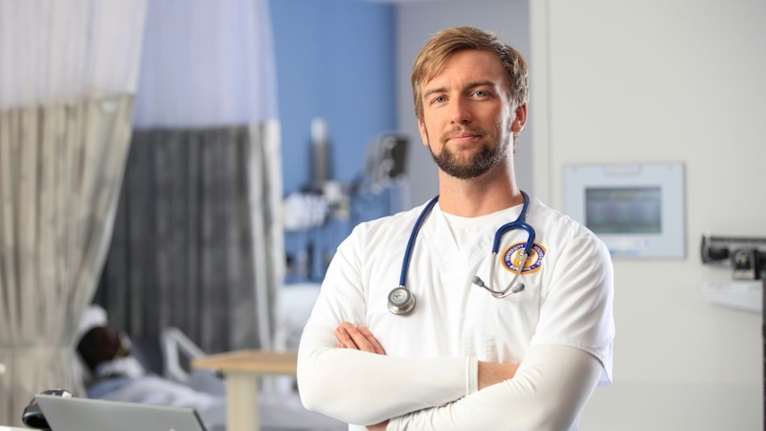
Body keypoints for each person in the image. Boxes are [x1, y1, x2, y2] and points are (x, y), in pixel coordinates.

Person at [296, 26, 615, 431]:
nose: (458, 113)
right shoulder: (366, 247)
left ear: (517, 115)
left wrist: (391, 424)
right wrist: (483, 375)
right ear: (424, 128)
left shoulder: (574, 251)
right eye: (439, 98)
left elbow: (540, 414)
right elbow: (318, 384)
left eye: (479, 93)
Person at [76, 306, 346, 431]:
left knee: (277, 406)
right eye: (103, 337)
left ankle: (348, 418)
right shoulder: (103, 393)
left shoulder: (132, 373)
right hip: (201, 418)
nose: (114, 338)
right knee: (273, 411)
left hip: (206, 406)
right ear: (90, 352)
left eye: (111, 333)